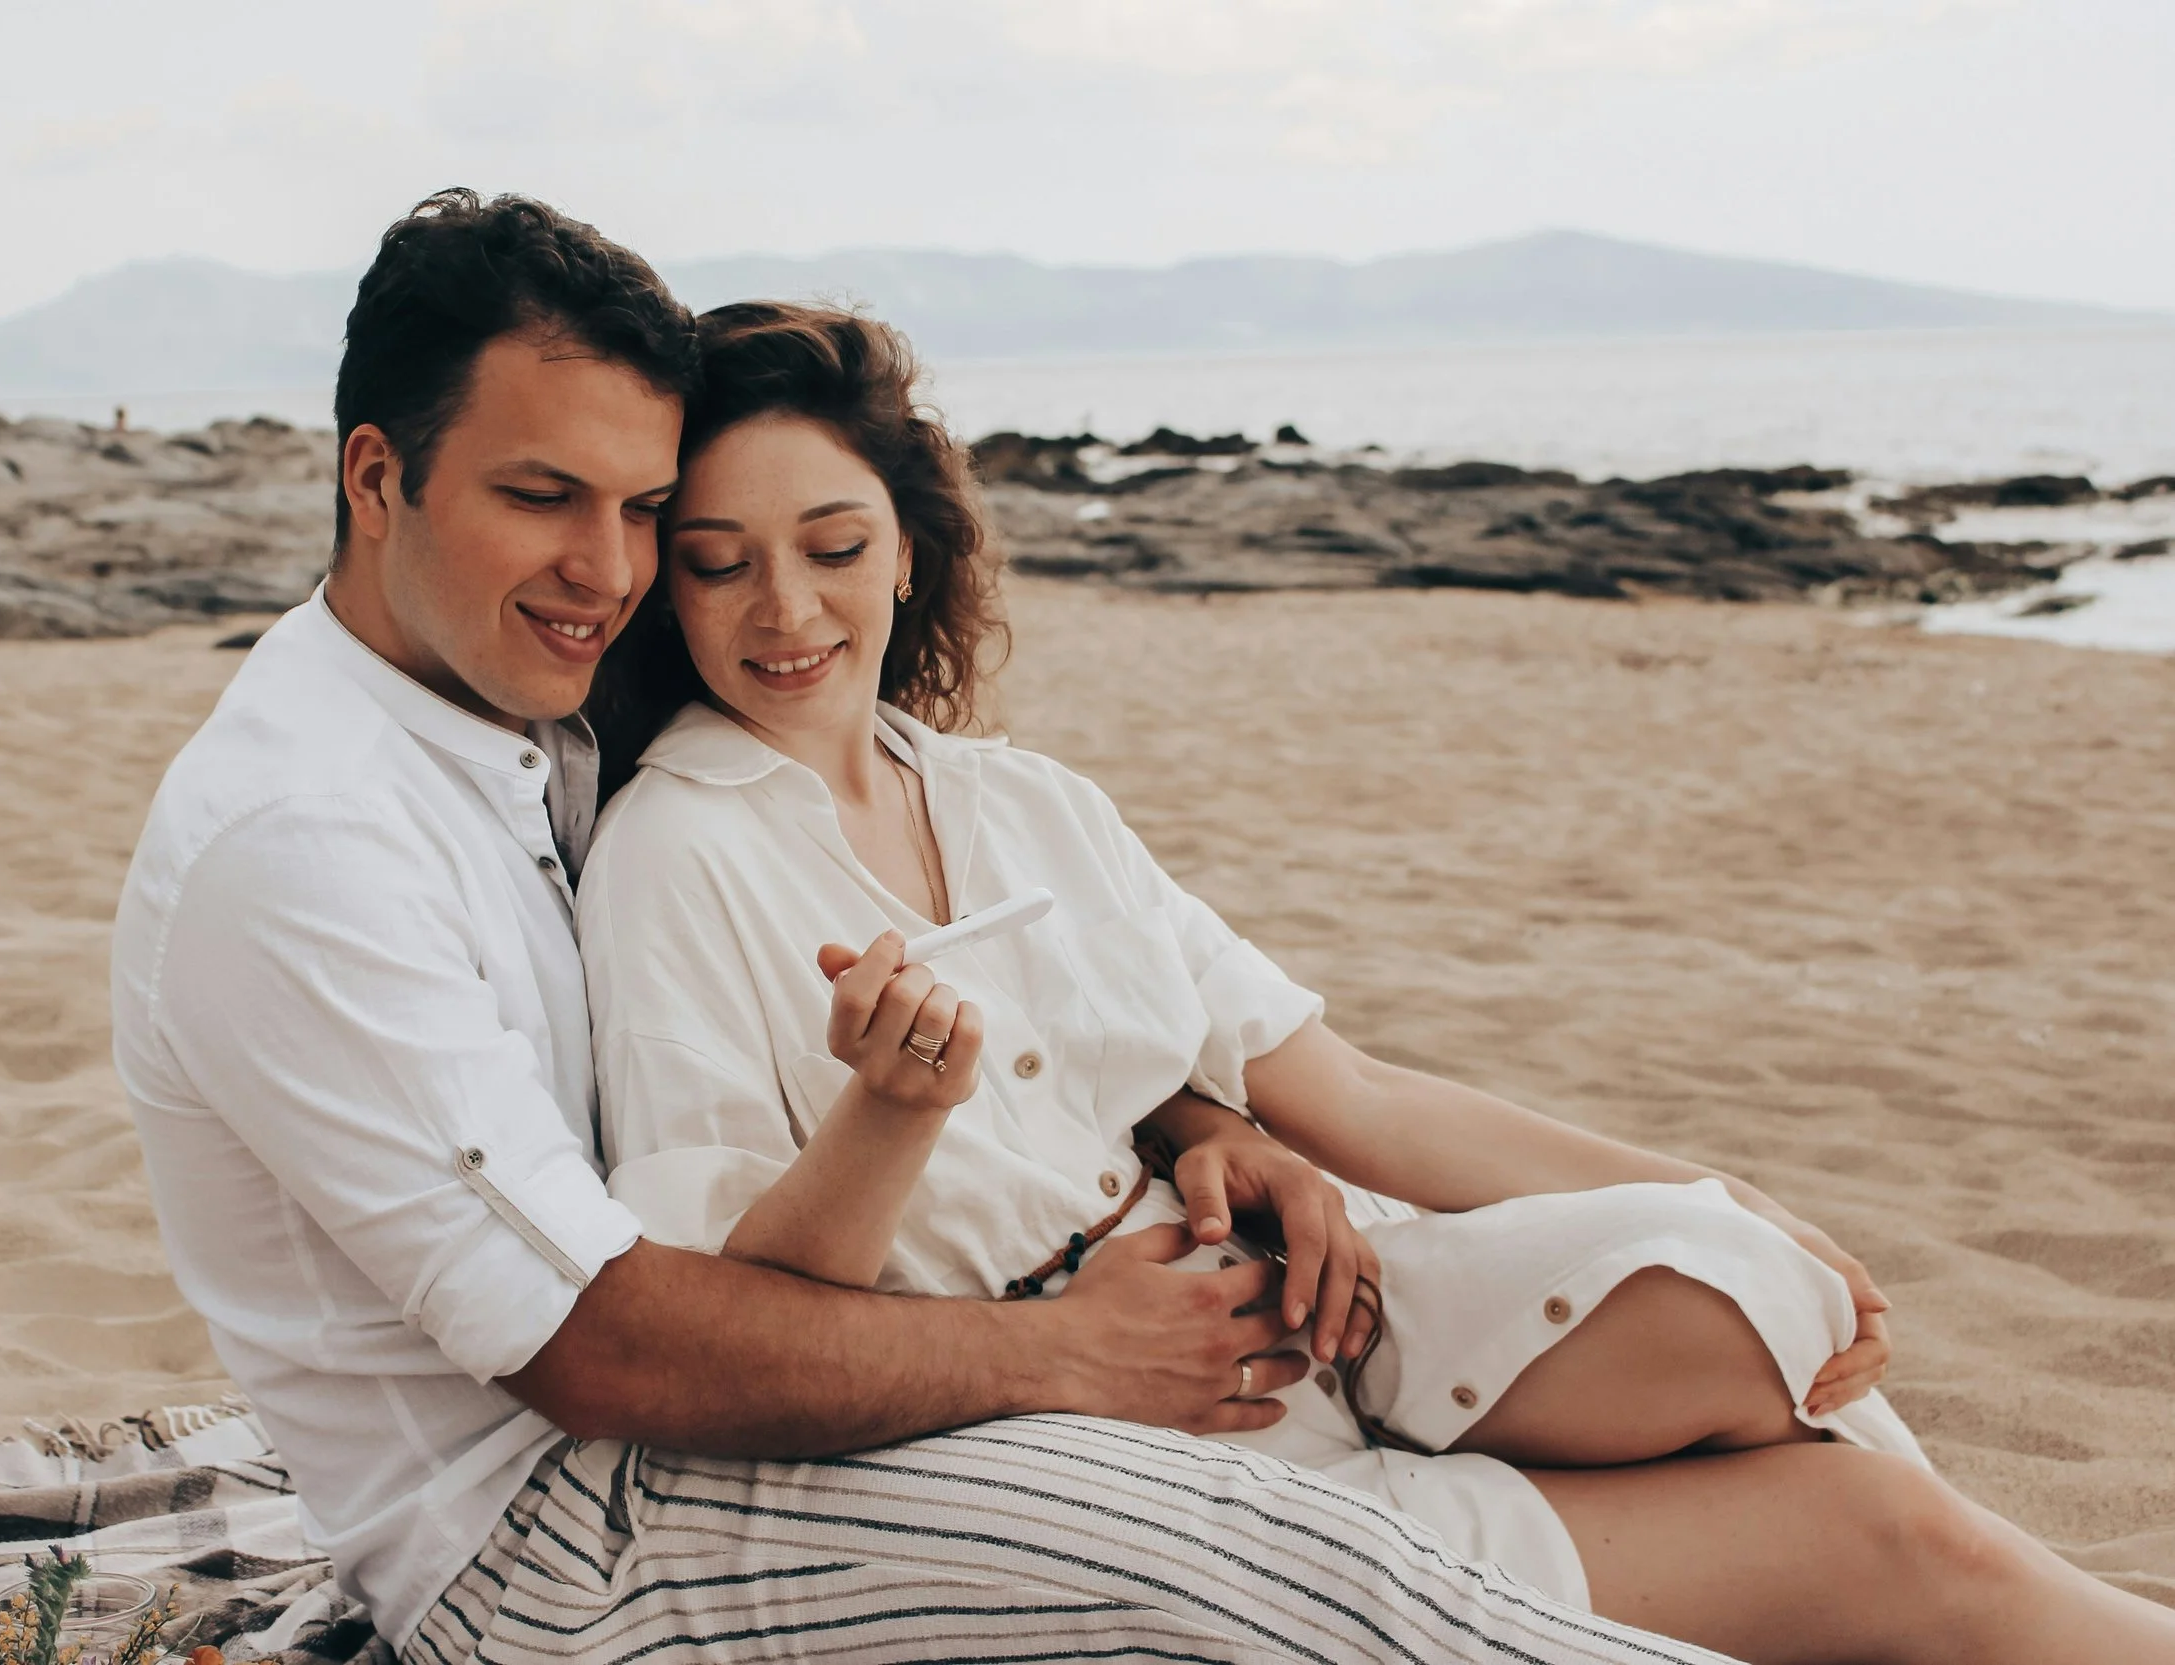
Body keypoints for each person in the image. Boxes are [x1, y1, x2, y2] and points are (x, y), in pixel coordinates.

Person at [112, 189, 1744, 1665]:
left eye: (636, 510)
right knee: (1288, 1586)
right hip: (551, 1542)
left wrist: (1195, 1114)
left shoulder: (506, 719)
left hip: (700, 1428)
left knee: (1571, 1433)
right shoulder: (307, 840)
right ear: (375, 475)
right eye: (545, 498)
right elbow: (602, 1348)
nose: (605, 574)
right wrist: (1061, 1357)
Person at [576, 299, 2175, 1665]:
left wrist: (1731, 1188)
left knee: (1749, 1298)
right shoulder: (677, 857)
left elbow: (1354, 1097)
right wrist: (891, 1115)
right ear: (667, 590)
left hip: (1333, 1326)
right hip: (1140, 1481)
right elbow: (727, 1323)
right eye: (718, 567)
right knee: (1880, 1529)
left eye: (833, 545)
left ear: (910, 550)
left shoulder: (1023, 803)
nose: (784, 610)